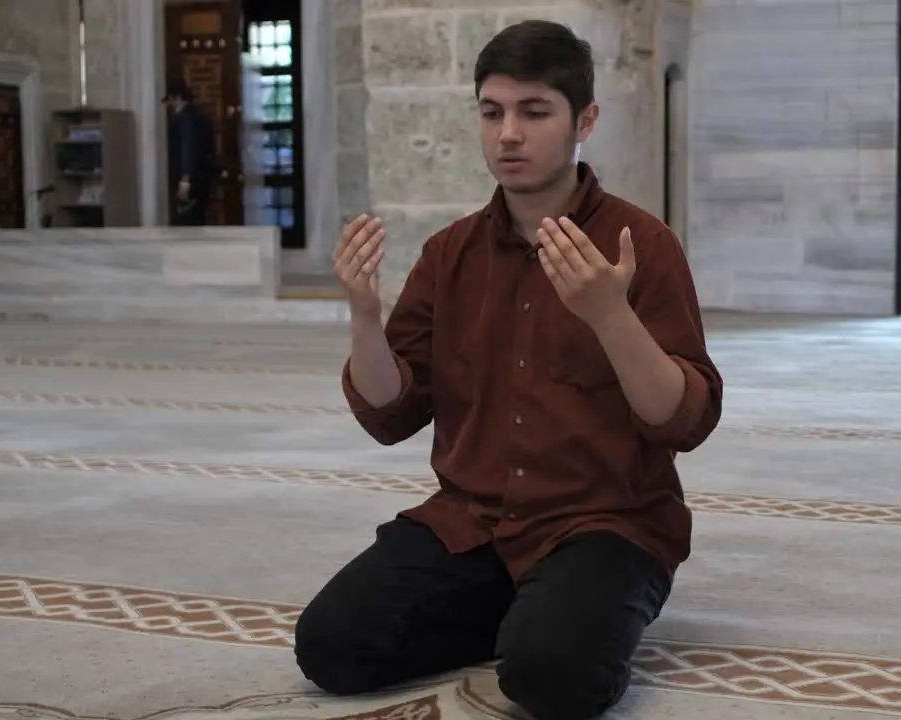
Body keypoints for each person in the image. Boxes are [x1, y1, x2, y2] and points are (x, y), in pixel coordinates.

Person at [292, 20, 723, 720]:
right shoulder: (450, 253)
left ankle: (560, 616)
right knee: (332, 647)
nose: (508, 135)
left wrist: (610, 314)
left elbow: (684, 418)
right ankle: (532, 608)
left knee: (552, 680)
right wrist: (364, 316)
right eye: (492, 113)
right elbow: (392, 411)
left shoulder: (639, 243)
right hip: (475, 522)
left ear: (584, 120)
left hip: (606, 522)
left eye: (533, 112)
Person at [163, 78, 218, 226]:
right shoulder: (201, 116)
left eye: (170, 100)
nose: (168, 105)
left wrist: (185, 179)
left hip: (190, 181)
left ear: (178, 97)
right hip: (203, 179)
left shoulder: (184, 119)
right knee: (198, 219)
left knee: (187, 223)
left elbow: (187, 147)